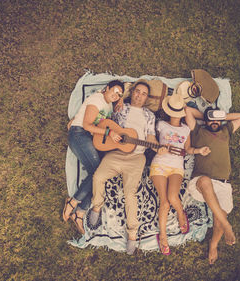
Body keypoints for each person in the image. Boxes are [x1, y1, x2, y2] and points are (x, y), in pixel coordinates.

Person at [88, 80, 157, 255]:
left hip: (137, 158)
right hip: (116, 152)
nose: (140, 96)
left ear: (147, 98)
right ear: (132, 92)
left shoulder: (150, 115)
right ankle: (97, 206)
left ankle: (132, 234)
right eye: (137, 92)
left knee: (130, 193)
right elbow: (103, 120)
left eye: (144, 94)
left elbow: (151, 138)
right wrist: (121, 100)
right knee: (98, 177)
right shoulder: (119, 107)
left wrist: (158, 147)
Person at [150, 91, 210, 256]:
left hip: (177, 167)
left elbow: (188, 149)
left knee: (173, 197)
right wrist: (156, 147)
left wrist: (199, 150)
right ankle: (162, 236)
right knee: (165, 203)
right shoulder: (160, 124)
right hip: (159, 165)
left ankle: (181, 214)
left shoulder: (186, 129)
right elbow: (152, 141)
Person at [185, 105, 240, 264]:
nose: (214, 122)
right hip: (200, 181)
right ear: (205, 121)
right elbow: (187, 110)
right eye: (210, 119)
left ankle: (213, 245)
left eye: (217, 120)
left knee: (219, 217)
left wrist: (220, 116)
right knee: (205, 182)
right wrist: (206, 116)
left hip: (223, 185)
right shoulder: (198, 131)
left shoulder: (226, 131)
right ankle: (228, 227)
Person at [63, 80, 124, 234]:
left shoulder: (109, 105)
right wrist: (109, 133)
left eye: (119, 95)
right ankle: (73, 202)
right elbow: (87, 125)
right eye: (115, 91)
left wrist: (120, 99)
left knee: (99, 176)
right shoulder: (97, 100)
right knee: (98, 172)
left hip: (91, 139)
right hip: (79, 134)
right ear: (107, 88)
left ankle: (80, 213)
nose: (116, 96)